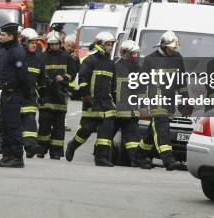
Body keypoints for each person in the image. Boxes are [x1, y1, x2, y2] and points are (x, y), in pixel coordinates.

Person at [131, 31, 185, 171]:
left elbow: (181, 82)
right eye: (170, 47)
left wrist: (185, 99)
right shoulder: (150, 60)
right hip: (155, 101)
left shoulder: (178, 58)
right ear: (162, 45)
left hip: (170, 102)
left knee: (151, 132)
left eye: (174, 48)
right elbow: (142, 84)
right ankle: (168, 159)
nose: (172, 50)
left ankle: (138, 156)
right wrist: (143, 104)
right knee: (162, 130)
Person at [65, 31, 117, 167]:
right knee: (86, 129)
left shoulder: (111, 64)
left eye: (112, 44)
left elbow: (114, 84)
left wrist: (115, 100)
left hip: (106, 103)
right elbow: (82, 79)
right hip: (92, 102)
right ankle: (73, 145)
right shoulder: (90, 60)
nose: (111, 47)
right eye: (108, 44)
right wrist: (86, 96)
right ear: (100, 44)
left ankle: (101, 158)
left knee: (106, 130)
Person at [0, 22, 29, 168]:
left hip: (14, 93)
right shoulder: (3, 50)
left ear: (11, 36)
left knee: (13, 126)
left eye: (3, 35)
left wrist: (25, 93)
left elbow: (23, 75)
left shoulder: (17, 51)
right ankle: (7, 155)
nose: (0, 37)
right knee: (4, 125)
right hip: (5, 92)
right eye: (0, 34)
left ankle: (17, 157)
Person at [37, 31, 76, 159]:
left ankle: (56, 152)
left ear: (60, 43)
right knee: (44, 124)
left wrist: (64, 77)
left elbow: (72, 74)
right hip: (46, 95)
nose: (53, 46)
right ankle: (41, 149)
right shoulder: (42, 57)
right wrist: (46, 80)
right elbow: (38, 74)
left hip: (60, 95)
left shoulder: (66, 56)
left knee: (59, 127)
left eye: (56, 44)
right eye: (51, 44)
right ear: (48, 44)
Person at [112, 40, 143, 164]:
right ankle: (100, 155)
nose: (134, 56)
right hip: (115, 108)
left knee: (132, 138)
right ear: (124, 53)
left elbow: (142, 89)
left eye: (136, 54)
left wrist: (143, 105)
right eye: (132, 54)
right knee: (105, 135)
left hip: (130, 110)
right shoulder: (115, 66)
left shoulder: (138, 69)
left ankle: (135, 160)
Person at [19, 28, 45, 158]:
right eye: (31, 42)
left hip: (30, 96)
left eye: (36, 42)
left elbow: (42, 80)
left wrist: (42, 95)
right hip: (16, 95)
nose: (34, 45)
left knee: (30, 120)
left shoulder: (39, 59)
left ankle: (30, 146)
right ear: (24, 42)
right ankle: (5, 145)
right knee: (14, 123)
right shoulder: (18, 56)